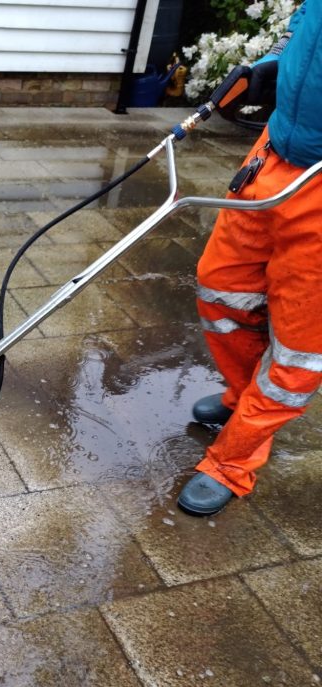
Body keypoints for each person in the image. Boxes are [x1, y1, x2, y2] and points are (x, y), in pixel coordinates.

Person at [177, 0, 322, 516]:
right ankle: (243, 398)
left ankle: (232, 461)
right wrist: (278, 62)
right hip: (275, 151)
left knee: (298, 350)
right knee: (221, 286)